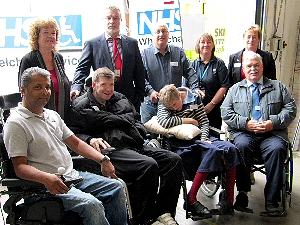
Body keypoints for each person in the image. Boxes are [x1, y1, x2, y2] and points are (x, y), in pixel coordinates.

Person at [3, 67, 128, 225]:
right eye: (38, 87)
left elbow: (75, 143)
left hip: (71, 176)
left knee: (116, 188)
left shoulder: (51, 115)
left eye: (47, 87)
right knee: (92, 205)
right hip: (43, 187)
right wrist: (46, 178)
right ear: (23, 90)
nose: (45, 91)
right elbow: (20, 167)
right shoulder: (16, 123)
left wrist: (103, 159)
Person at [65, 67, 183, 225]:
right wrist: (90, 139)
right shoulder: (80, 106)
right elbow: (71, 135)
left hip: (134, 143)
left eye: (111, 85)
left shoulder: (120, 98)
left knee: (173, 160)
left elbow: (135, 119)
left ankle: (164, 212)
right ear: (94, 85)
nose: (108, 89)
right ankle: (146, 219)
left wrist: (138, 130)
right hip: (111, 150)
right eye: (103, 85)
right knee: (148, 165)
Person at [221, 51, 296, 216]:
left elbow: (290, 109)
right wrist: (245, 124)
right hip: (244, 133)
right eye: (249, 66)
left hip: (272, 134)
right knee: (240, 146)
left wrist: (273, 123)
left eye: (256, 65)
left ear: (262, 67)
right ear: (244, 70)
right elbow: (225, 112)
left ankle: (271, 201)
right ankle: (242, 194)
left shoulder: (278, 87)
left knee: (277, 150)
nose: (253, 69)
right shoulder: (235, 90)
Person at [157, 84, 241, 217]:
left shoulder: (194, 98)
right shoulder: (164, 101)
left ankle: (229, 201)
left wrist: (203, 138)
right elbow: (164, 122)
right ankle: (191, 198)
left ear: (180, 95)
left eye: (175, 104)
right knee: (212, 150)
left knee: (231, 149)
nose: (174, 108)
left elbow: (203, 122)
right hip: (181, 142)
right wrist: (188, 120)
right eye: (171, 108)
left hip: (200, 136)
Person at [70, 5, 145, 112]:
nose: (112, 21)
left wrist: (139, 97)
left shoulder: (132, 43)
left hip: (129, 101)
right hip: (102, 101)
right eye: (108, 18)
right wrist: (76, 88)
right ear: (103, 20)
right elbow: (82, 70)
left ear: (121, 20)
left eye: (115, 18)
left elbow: (139, 72)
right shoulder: (92, 44)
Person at [140, 22, 197, 124]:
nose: (161, 34)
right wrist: (150, 91)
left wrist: (195, 89)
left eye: (164, 31)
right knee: (149, 138)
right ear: (152, 35)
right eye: (158, 32)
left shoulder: (178, 52)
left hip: (174, 107)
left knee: (173, 136)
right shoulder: (144, 54)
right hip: (151, 106)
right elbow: (140, 78)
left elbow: (190, 72)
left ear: (168, 34)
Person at [18, 17, 70, 119]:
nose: (50, 36)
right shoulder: (29, 59)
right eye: (46, 32)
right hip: (37, 117)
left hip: (62, 116)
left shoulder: (59, 58)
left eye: (53, 33)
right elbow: (24, 90)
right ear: (36, 36)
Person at [190, 33, 230, 129]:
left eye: (209, 42)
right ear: (198, 45)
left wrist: (212, 104)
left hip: (213, 109)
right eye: (202, 42)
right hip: (194, 109)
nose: (205, 44)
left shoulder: (219, 64)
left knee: (213, 139)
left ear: (213, 45)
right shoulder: (192, 64)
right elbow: (186, 86)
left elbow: (224, 86)